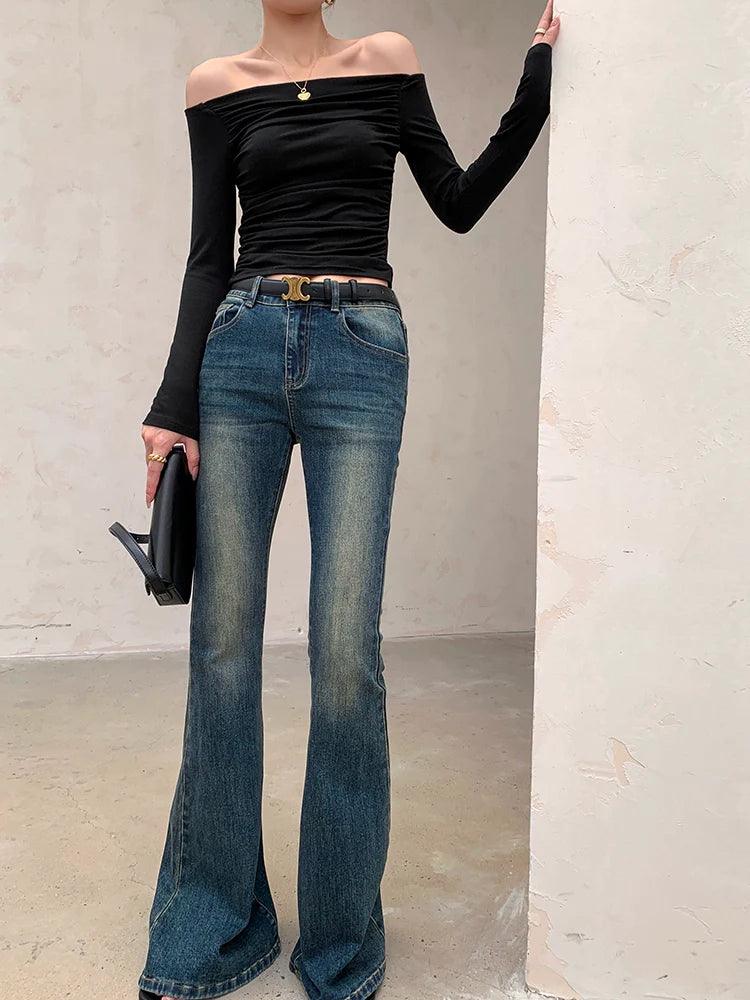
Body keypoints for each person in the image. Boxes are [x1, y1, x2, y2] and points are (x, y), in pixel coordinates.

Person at [137, 2, 558, 998]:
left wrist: (535, 88)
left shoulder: (387, 60)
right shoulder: (215, 85)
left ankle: (338, 945)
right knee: (223, 647)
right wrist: (172, 406)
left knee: (343, 655)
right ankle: (213, 923)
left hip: (361, 350)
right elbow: (208, 255)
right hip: (240, 347)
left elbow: (457, 200)